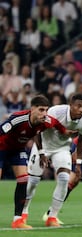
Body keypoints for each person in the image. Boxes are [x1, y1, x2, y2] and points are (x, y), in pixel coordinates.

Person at [0, 95, 72, 229]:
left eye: (46, 110)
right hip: (1, 148)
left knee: (23, 179)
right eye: (41, 110)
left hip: (17, 150)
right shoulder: (18, 119)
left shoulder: (46, 121)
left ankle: (18, 220)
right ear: (32, 109)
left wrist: (66, 132)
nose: (44, 114)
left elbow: (57, 124)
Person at [23, 94, 82, 227]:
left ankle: (52, 217)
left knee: (65, 178)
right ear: (70, 105)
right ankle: (24, 212)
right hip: (43, 146)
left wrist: (78, 163)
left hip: (62, 148)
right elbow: (37, 130)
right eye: (78, 106)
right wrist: (42, 152)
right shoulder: (55, 112)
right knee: (33, 181)